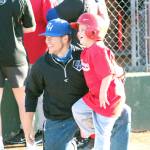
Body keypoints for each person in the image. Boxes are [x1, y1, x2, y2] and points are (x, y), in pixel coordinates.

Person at [25, 18, 131, 150]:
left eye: (52, 38)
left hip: (89, 112)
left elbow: (111, 73)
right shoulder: (41, 65)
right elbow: (31, 94)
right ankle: (77, 142)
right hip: (60, 120)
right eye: (47, 37)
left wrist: (119, 71)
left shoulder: (84, 54)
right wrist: (28, 126)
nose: (47, 41)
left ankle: (90, 138)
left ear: (65, 38)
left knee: (124, 112)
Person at [6, 0, 58, 145]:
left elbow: (53, 22)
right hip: (16, 57)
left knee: (40, 94)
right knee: (25, 95)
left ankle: (43, 130)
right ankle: (26, 131)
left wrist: (52, 48)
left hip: (39, 54)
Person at [71, 12, 126, 150]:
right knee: (78, 109)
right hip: (95, 96)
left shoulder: (97, 49)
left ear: (93, 31)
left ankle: (100, 135)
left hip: (109, 97)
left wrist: (102, 94)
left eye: (83, 29)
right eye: (79, 30)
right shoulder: (87, 50)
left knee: (102, 138)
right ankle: (93, 132)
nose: (79, 33)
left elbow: (107, 74)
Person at [0, 0, 36, 149]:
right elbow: (31, 27)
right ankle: (30, 143)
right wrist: (13, 28)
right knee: (23, 102)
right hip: (15, 54)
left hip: (14, 55)